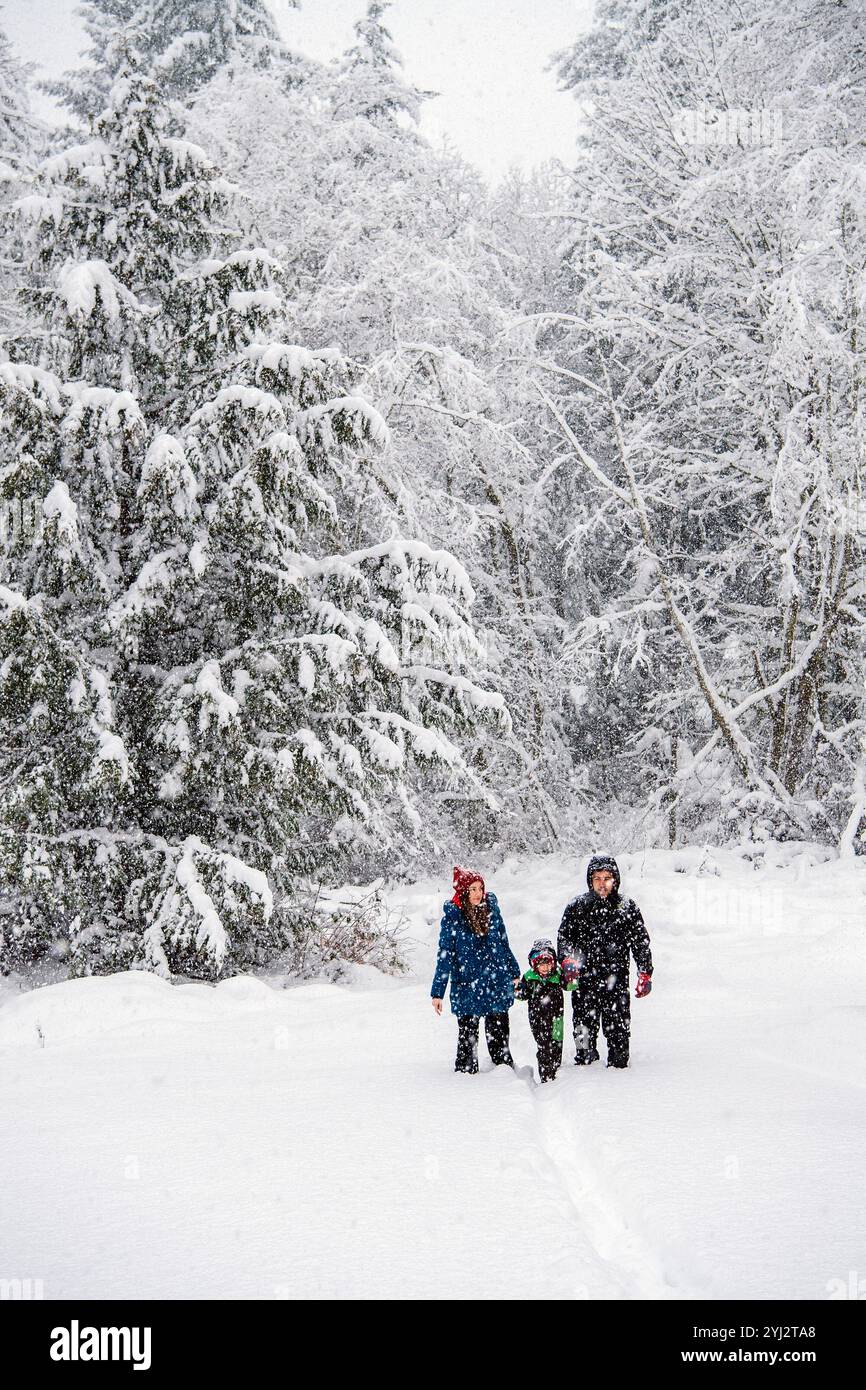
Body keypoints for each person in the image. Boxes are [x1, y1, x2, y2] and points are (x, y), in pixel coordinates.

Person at [557, 855, 653, 1069]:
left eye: (607, 878)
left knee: (618, 1032)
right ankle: (584, 1061)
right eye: (597, 878)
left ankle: (618, 1069)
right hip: (584, 981)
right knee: (582, 1029)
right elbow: (564, 937)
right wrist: (567, 961)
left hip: (616, 981)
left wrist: (645, 972)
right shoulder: (577, 906)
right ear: (590, 881)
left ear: (615, 880)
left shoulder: (626, 907)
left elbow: (640, 942)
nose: (602, 883)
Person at [431, 866, 521, 1074]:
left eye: (480, 888)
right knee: (467, 1037)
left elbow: (503, 944)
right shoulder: (453, 918)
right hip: (467, 984)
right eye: (472, 889)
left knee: (499, 1033)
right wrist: (438, 992)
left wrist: (513, 972)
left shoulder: (492, 912)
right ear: (463, 892)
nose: (478, 893)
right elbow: (445, 956)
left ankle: (504, 1072)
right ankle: (466, 1078)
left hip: (495, 980)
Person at [515, 937, 578, 1083]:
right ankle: (546, 1076)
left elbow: (570, 986)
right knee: (544, 1046)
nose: (544, 967)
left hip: (557, 1018)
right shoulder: (529, 978)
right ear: (534, 964)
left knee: (556, 1043)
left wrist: (573, 977)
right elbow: (523, 995)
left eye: (548, 963)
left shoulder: (557, 975)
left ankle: (556, 1072)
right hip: (537, 1019)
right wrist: (517, 990)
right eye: (540, 964)